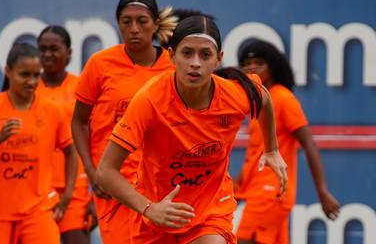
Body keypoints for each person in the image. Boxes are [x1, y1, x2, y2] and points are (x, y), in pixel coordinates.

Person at [96, 15, 288, 244]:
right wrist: (150, 209)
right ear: (171, 56)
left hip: (209, 213)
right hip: (157, 215)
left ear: (218, 59)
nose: (195, 63)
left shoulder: (235, 94)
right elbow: (105, 172)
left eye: (205, 55)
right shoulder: (150, 99)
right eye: (187, 53)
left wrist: (272, 149)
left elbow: (264, 99)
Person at [71, 0, 178, 242]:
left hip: (160, 183)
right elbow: (79, 121)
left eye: (142, 21)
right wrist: (92, 170)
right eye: (126, 21)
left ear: (155, 24)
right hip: (114, 184)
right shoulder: (100, 64)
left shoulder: (174, 66)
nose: (134, 28)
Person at [0, 42, 78, 244]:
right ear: (8, 71)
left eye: (36, 75)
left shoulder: (51, 111)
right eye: (24, 75)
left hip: (38, 212)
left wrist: (68, 194)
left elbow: (71, 151)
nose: (32, 81)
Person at [235, 40, 340, 244]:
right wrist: (234, 188)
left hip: (270, 195)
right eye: (246, 63)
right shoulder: (258, 101)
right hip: (264, 194)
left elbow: (309, 143)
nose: (251, 67)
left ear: (273, 67)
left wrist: (322, 191)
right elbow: (256, 154)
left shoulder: (283, 98)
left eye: (259, 62)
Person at [36, 25, 96, 243]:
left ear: (69, 53)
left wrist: (95, 196)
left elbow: (97, 141)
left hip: (75, 191)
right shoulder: (27, 89)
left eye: (54, 49)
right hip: (35, 191)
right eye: (42, 49)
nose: (47, 55)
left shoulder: (82, 87)